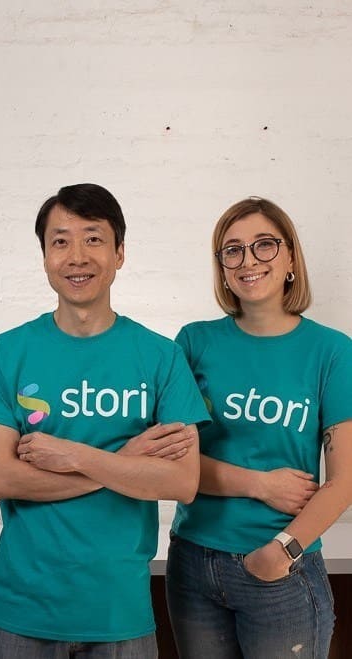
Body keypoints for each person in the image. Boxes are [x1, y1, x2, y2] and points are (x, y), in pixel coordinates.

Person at [0, 183, 210, 658]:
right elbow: (3, 479)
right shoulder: (7, 351)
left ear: (120, 254)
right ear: (44, 257)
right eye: (61, 241)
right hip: (22, 612)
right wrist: (126, 461)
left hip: (121, 614)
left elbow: (182, 481)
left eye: (93, 238)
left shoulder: (161, 357)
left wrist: (74, 456)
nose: (77, 256)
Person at [166, 197, 352, 658]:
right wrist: (260, 484)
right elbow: (171, 463)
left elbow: (345, 479)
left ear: (290, 257)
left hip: (281, 569)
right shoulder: (194, 342)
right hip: (192, 563)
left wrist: (281, 551)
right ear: (222, 267)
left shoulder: (332, 351)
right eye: (233, 250)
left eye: (264, 245)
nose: (248, 260)